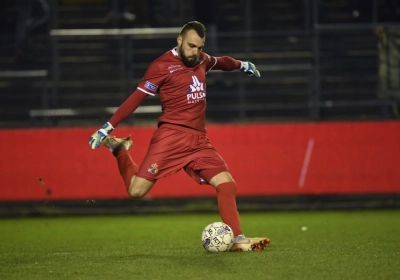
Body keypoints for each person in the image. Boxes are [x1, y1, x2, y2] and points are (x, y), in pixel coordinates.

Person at [89, 21, 270, 252]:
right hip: (171, 137)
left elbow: (221, 61)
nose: (195, 52)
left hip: (198, 140)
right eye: (191, 46)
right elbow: (136, 98)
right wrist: (107, 127)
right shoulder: (161, 66)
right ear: (179, 40)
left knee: (227, 185)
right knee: (136, 191)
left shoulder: (201, 59)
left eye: (199, 47)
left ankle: (237, 239)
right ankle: (120, 149)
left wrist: (241, 64)